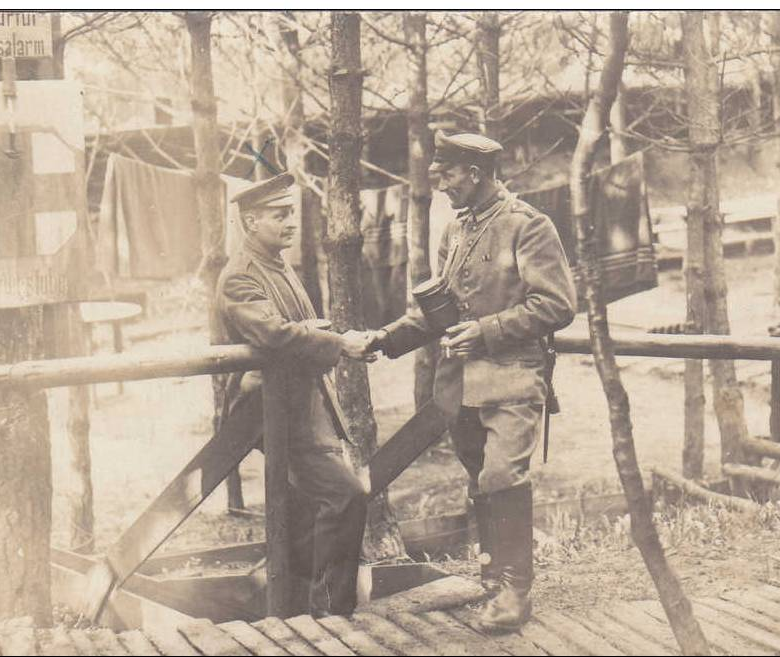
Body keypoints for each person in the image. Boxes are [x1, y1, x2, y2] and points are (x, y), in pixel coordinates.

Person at [368, 131, 577, 632]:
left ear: (475, 174)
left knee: (503, 477)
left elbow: (557, 305)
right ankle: (491, 575)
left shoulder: (528, 227)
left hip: (512, 379)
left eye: (447, 174)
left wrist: (486, 332)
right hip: (460, 386)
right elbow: (438, 309)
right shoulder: (457, 232)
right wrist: (384, 339)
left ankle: (515, 592)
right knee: (480, 480)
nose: (439, 185)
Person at [214, 172, 374, 618]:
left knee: (308, 505)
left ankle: (299, 605)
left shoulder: (277, 263)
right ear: (250, 223)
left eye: (290, 213)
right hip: (271, 411)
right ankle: (332, 610)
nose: (290, 223)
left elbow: (302, 328)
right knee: (345, 496)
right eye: (279, 215)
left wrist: (331, 338)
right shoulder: (241, 276)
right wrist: (337, 342)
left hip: (300, 404)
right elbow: (276, 334)